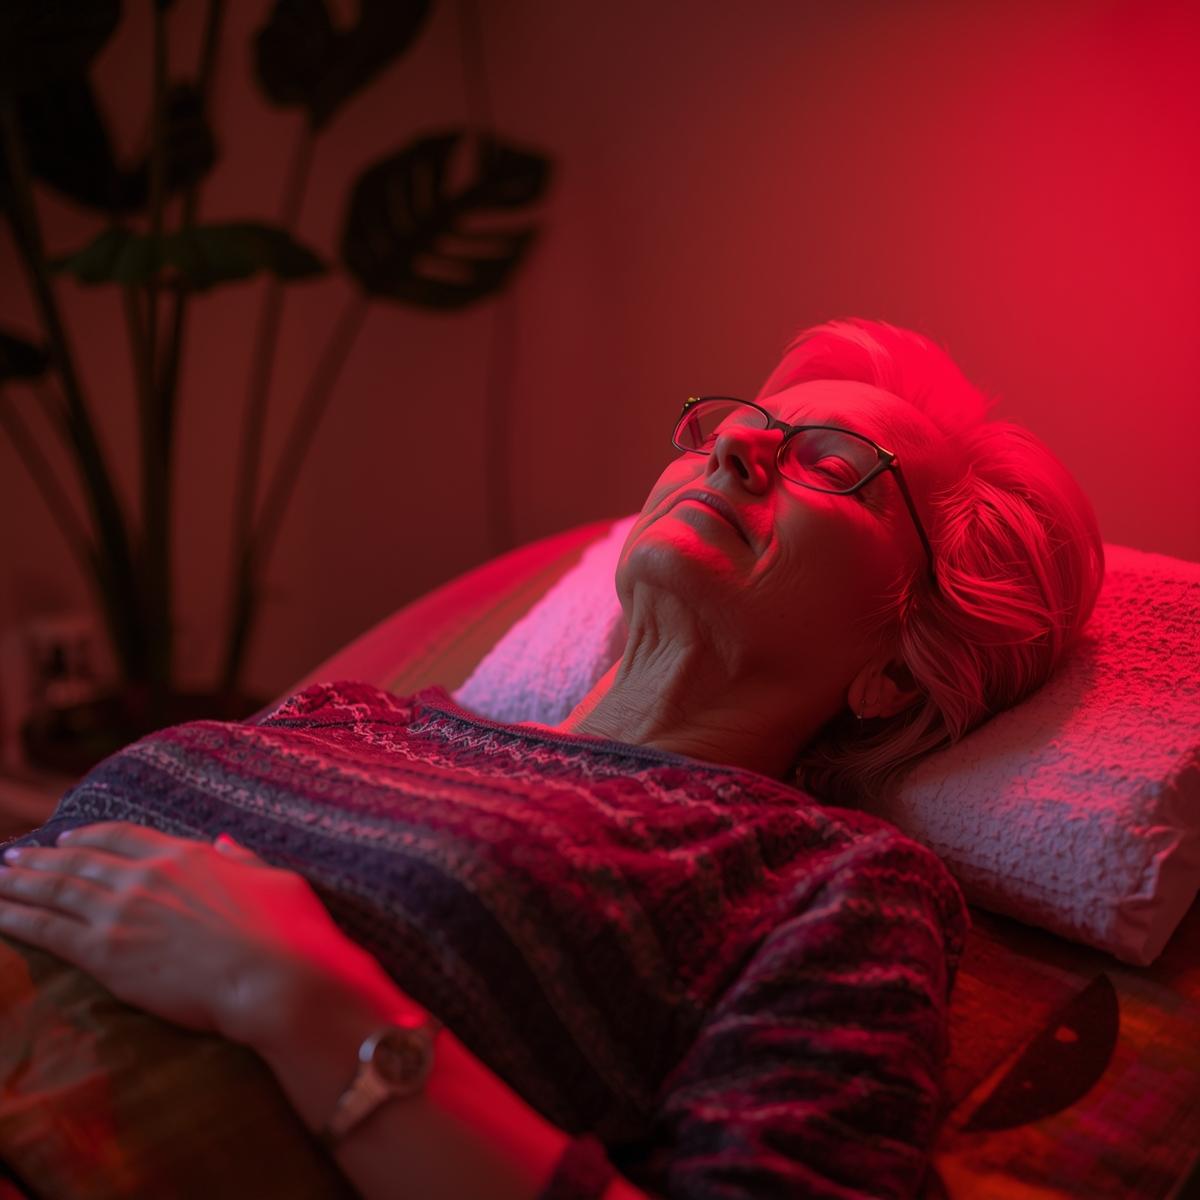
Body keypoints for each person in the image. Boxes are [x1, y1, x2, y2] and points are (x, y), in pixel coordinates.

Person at [0, 317, 1104, 1199]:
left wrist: (300, 998)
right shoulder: (353, 715)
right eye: (738, 423)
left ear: (898, 667)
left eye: (829, 462)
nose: (737, 445)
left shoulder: (824, 883)